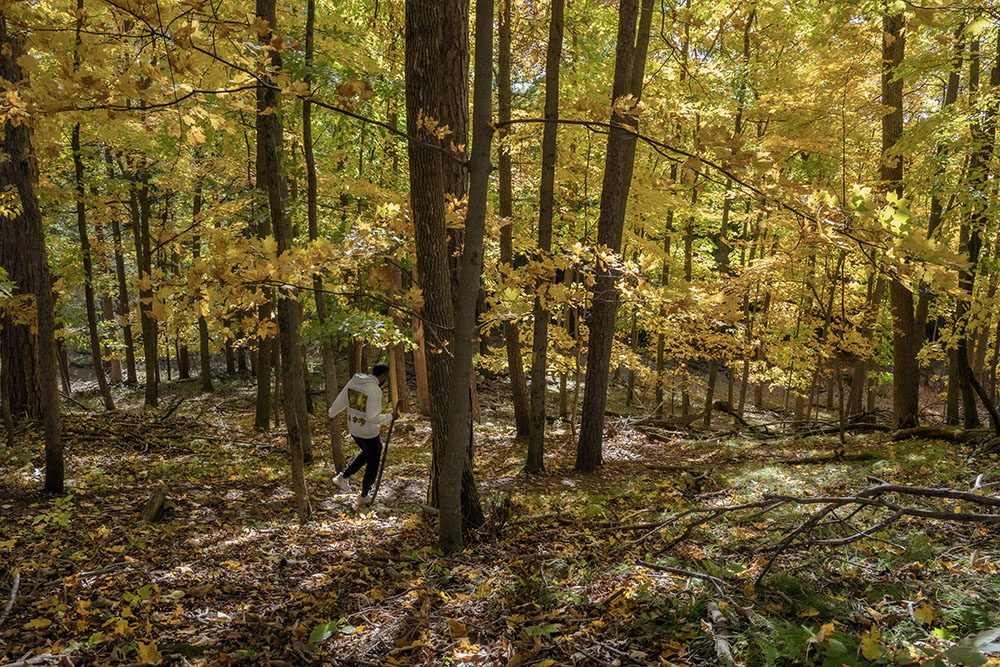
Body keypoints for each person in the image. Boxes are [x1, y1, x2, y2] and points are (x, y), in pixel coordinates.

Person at [328, 361, 398, 504]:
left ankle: (344, 476)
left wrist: (332, 413)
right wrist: (391, 417)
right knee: (373, 461)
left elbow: (342, 398)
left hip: (354, 429)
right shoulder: (374, 390)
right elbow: (373, 418)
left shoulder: (355, 381)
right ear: (383, 375)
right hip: (368, 432)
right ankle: (364, 495)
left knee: (367, 453)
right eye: (387, 376)